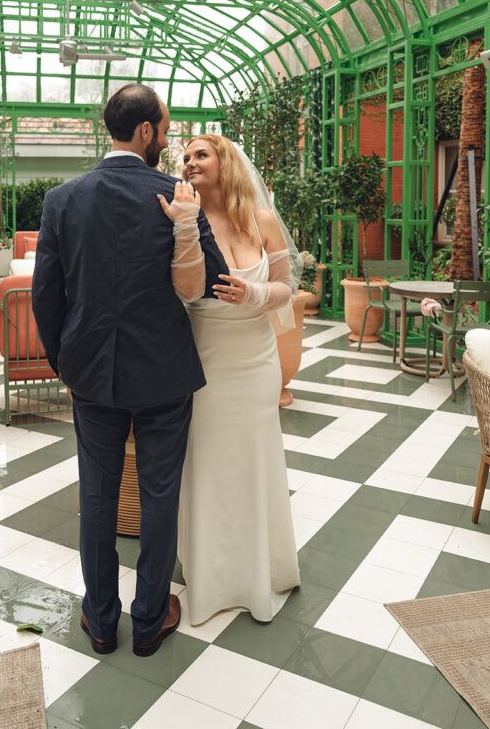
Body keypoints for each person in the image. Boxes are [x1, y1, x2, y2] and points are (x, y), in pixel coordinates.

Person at [31, 85, 229, 657]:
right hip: (164, 372)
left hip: (91, 374)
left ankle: (99, 621)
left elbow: (47, 296)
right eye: (164, 129)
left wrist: (63, 360)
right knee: (160, 494)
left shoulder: (63, 200)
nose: (167, 140)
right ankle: (148, 621)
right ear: (145, 131)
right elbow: (213, 278)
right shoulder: (178, 195)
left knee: (96, 496)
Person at [168, 133, 301, 625]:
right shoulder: (187, 219)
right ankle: (215, 575)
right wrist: (183, 227)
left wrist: (254, 295)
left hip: (257, 359)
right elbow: (181, 289)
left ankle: (263, 569)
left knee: (255, 459)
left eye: (201, 154)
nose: (190, 162)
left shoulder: (262, 221)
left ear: (227, 162)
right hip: (209, 359)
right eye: (185, 157)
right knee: (211, 465)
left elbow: (287, 287)